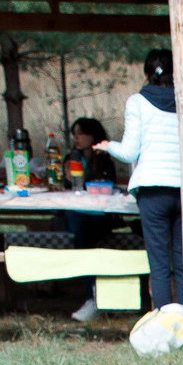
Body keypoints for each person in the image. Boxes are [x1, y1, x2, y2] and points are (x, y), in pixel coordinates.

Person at [105, 50, 182, 309]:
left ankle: (163, 320)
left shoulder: (137, 102)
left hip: (152, 189)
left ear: (146, 73)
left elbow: (129, 152)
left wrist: (107, 146)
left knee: (159, 265)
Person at [64, 116, 119, 321]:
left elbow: (108, 186)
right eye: (74, 134)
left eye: (81, 133)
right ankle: (92, 297)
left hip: (101, 215)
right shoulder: (71, 158)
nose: (77, 139)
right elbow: (67, 187)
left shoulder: (104, 159)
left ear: (92, 136)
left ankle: (96, 298)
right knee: (80, 230)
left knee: (84, 234)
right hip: (77, 213)